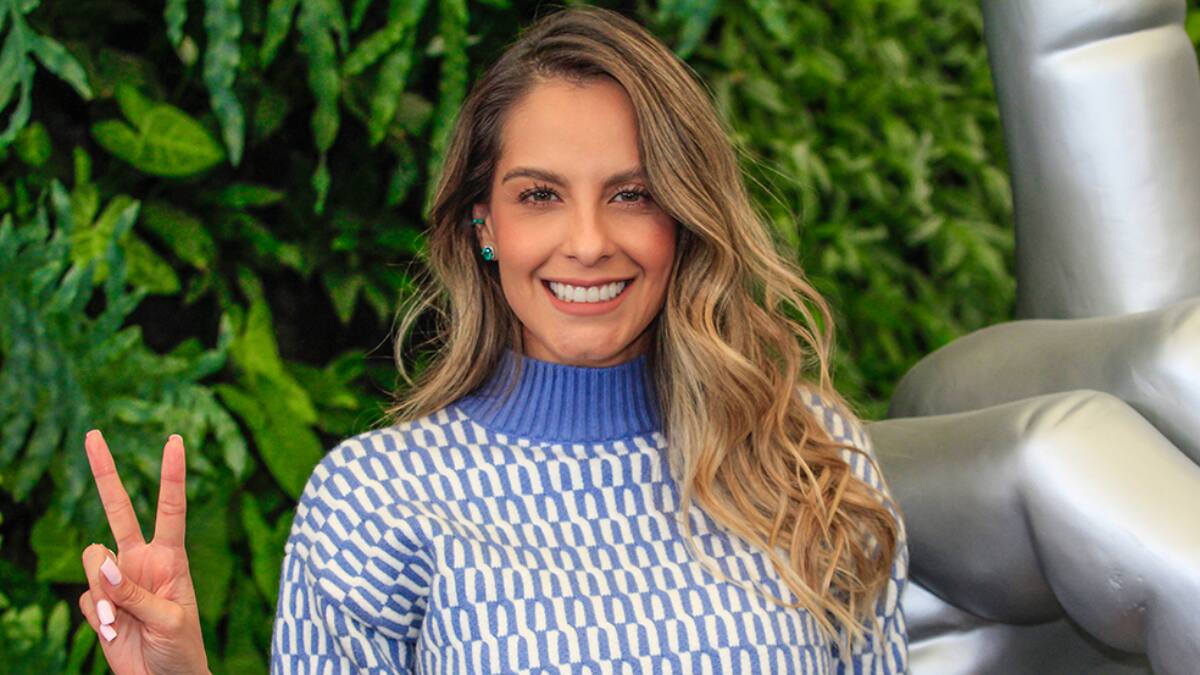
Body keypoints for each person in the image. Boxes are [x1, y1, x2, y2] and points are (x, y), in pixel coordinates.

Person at [77, 5, 908, 673]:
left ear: (685, 219)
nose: (589, 242)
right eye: (540, 195)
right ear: (484, 225)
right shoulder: (374, 501)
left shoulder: (809, 456)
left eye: (633, 194)